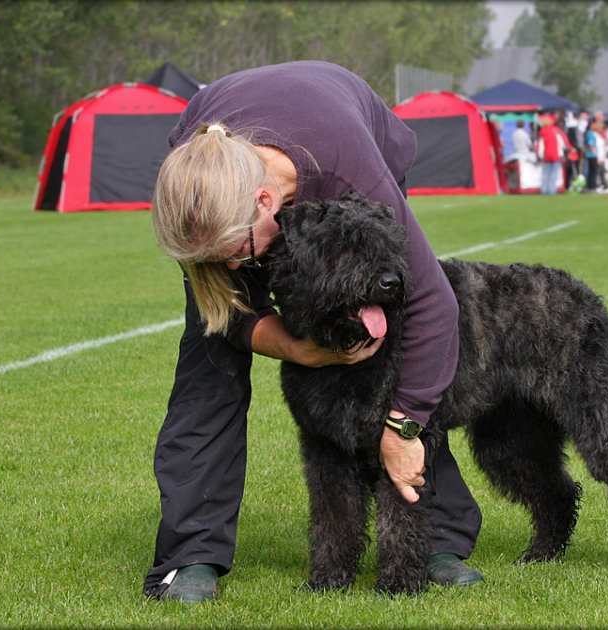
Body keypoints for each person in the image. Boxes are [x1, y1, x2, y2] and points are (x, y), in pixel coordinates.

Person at [144, 61, 483, 603]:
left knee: (389, 357)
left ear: (264, 203)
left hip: (348, 139)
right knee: (208, 368)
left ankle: (436, 538)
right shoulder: (195, 182)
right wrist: (289, 344)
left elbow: (433, 305)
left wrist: (404, 429)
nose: (234, 270)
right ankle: (191, 555)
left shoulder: (350, 168)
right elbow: (225, 304)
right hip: (233, 192)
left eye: (237, 254)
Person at [537, 114, 565, 194]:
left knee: (545, 173)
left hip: (546, 155)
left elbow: (541, 146)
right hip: (556, 154)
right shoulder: (555, 131)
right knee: (554, 173)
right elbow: (561, 143)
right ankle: (552, 190)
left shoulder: (542, 133)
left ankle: (544, 190)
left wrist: (540, 155)